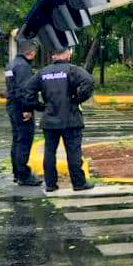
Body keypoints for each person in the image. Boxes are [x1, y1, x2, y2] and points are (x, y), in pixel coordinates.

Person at [21, 47, 95, 192]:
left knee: (49, 152)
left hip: (50, 118)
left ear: (53, 56)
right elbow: (89, 82)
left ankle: (50, 184)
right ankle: (79, 183)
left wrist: (40, 106)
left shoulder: (43, 72)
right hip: (71, 118)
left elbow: (27, 91)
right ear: (67, 54)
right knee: (73, 152)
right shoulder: (71, 70)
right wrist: (77, 99)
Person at [4, 41, 42, 186]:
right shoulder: (23, 67)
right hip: (21, 107)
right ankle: (23, 175)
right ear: (31, 53)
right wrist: (27, 109)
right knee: (24, 141)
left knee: (17, 140)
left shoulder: (11, 64)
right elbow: (25, 91)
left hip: (13, 105)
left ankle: (17, 172)